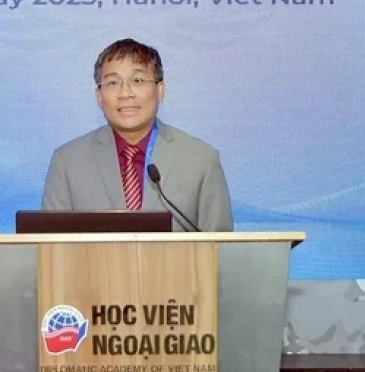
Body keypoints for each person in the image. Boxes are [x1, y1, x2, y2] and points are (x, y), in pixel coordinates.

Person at [40, 38, 234, 232]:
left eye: (138, 80)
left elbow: (219, 246)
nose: (125, 93)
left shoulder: (201, 160)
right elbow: (51, 246)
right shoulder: (67, 162)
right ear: (99, 96)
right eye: (113, 82)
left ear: (160, 91)